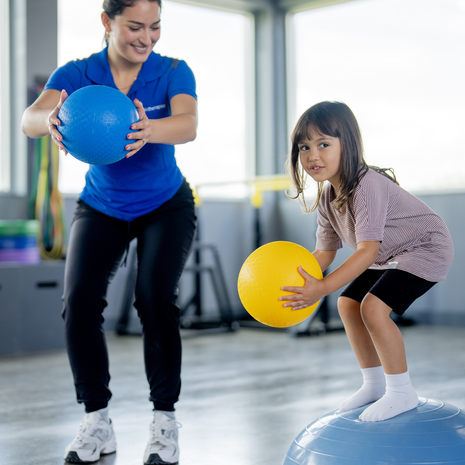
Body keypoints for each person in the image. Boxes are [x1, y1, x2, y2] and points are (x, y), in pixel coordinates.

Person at [21, 0, 197, 463]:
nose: (147, 37)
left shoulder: (173, 70)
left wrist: (147, 128)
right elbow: (29, 119)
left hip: (166, 204)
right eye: (135, 26)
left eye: (155, 27)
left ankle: (164, 422)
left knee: (154, 299)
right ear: (107, 22)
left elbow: (188, 124)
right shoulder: (78, 74)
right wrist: (51, 120)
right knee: (79, 302)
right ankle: (96, 421)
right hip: (101, 205)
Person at [281, 101, 454, 422]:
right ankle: (374, 384)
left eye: (323, 144)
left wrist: (321, 289)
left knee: (372, 308)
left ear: (348, 145)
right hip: (391, 255)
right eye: (304, 147)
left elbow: (367, 252)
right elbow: (324, 253)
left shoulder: (367, 185)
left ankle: (401, 392)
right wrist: (299, 282)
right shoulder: (327, 197)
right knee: (347, 304)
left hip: (426, 247)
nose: (312, 156)